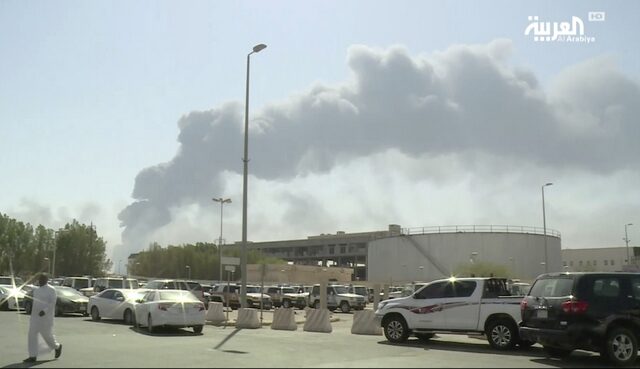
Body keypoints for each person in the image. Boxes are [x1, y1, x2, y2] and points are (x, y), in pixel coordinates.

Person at [24, 273, 62, 363]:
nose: (39, 281)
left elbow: (52, 303)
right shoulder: (37, 290)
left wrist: (44, 311)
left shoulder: (51, 290)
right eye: (39, 280)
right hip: (35, 317)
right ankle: (32, 356)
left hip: (46, 318)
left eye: (41, 279)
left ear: (46, 280)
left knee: (47, 336)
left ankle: (57, 346)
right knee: (32, 335)